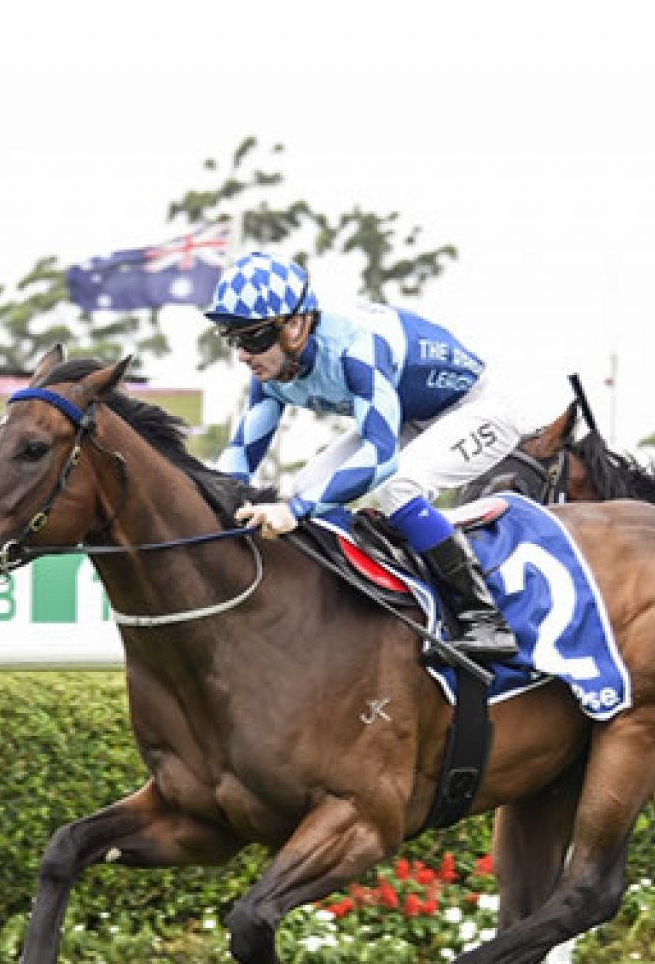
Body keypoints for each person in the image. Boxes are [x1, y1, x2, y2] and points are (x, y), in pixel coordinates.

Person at [206, 251, 522, 661]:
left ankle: (485, 621)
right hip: (409, 416)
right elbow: (239, 459)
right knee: (306, 487)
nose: (243, 355)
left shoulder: (355, 349)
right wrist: (211, 505)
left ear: (296, 326)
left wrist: (295, 510)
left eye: (253, 339)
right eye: (234, 339)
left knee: (397, 486)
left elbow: (379, 457)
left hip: (479, 408)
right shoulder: (271, 370)